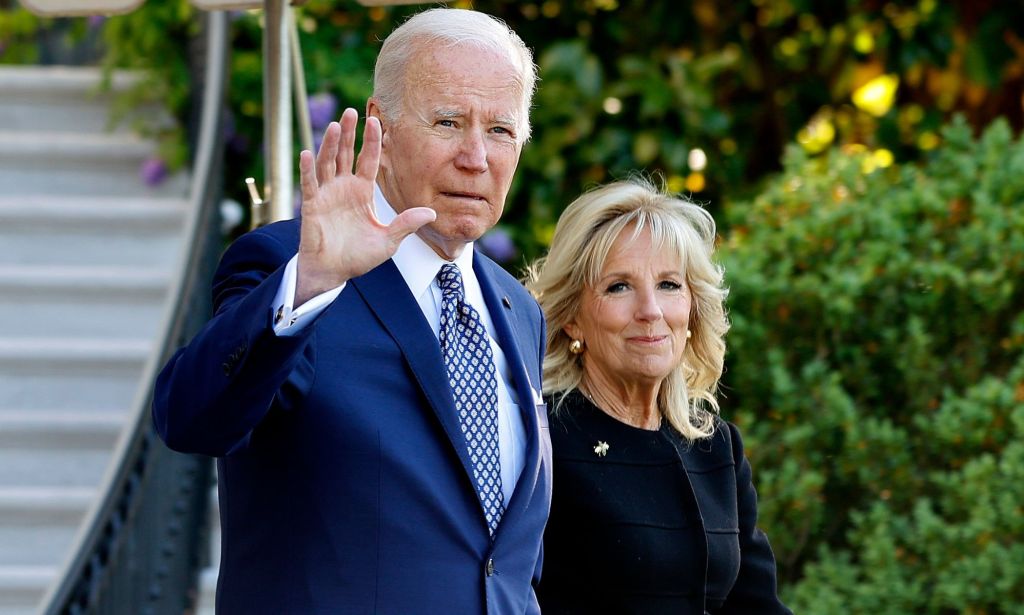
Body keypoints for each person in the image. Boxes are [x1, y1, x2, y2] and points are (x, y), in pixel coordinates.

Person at [152, 9, 551, 614]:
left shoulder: (517, 308)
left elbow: (502, 559)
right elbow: (191, 419)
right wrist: (312, 280)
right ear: (380, 129)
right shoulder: (292, 268)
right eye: (448, 122)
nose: (476, 157)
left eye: (500, 130)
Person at [527, 179, 792, 614]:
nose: (650, 310)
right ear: (572, 318)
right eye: (619, 287)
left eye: (669, 284)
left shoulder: (715, 447)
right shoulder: (541, 444)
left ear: (691, 308)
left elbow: (757, 605)